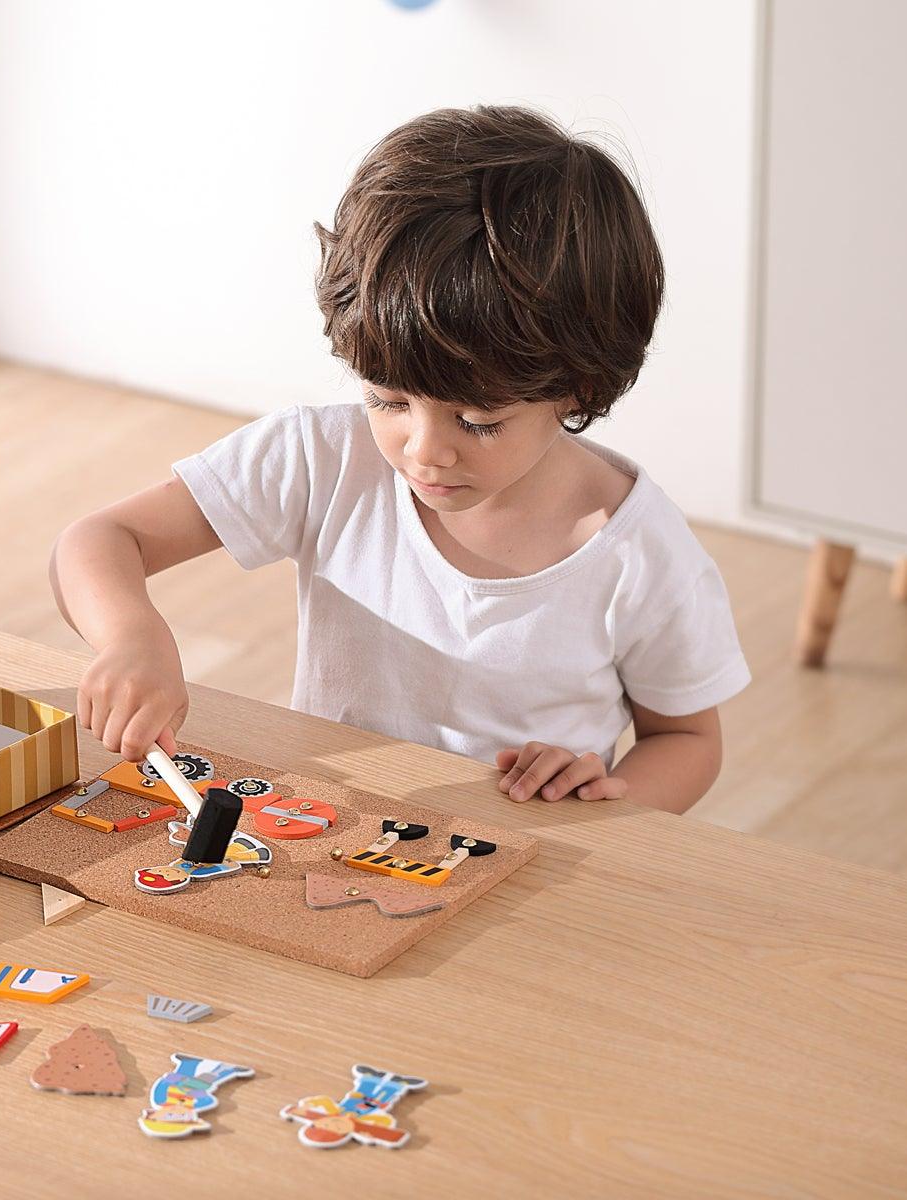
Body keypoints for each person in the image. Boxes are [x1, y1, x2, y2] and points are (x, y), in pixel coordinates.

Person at [49, 106, 749, 814]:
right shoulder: (324, 458)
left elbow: (689, 740)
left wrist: (610, 795)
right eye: (387, 400)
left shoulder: (638, 551)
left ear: (581, 386)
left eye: (476, 422)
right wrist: (133, 637)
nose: (423, 449)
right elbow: (100, 540)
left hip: (531, 861)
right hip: (325, 832)